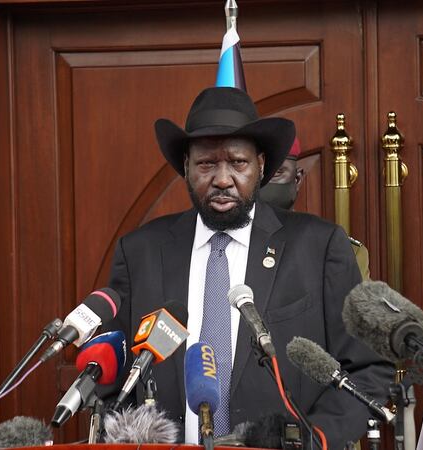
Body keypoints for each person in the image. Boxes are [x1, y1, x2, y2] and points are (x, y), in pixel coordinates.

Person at [105, 87, 392, 448]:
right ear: (186, 167)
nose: (222, 179)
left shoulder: (318, 248)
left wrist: (310, 441)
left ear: (260, 166)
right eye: (207, 163)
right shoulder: (139, 252)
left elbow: (367, 369)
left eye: (237, 163)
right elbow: (110, 380)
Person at [258, 137, 371, 281]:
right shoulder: (225, 247)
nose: (264, 184)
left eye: (275, 173)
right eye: (258, 174)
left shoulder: (338, 252)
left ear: (297, 179)